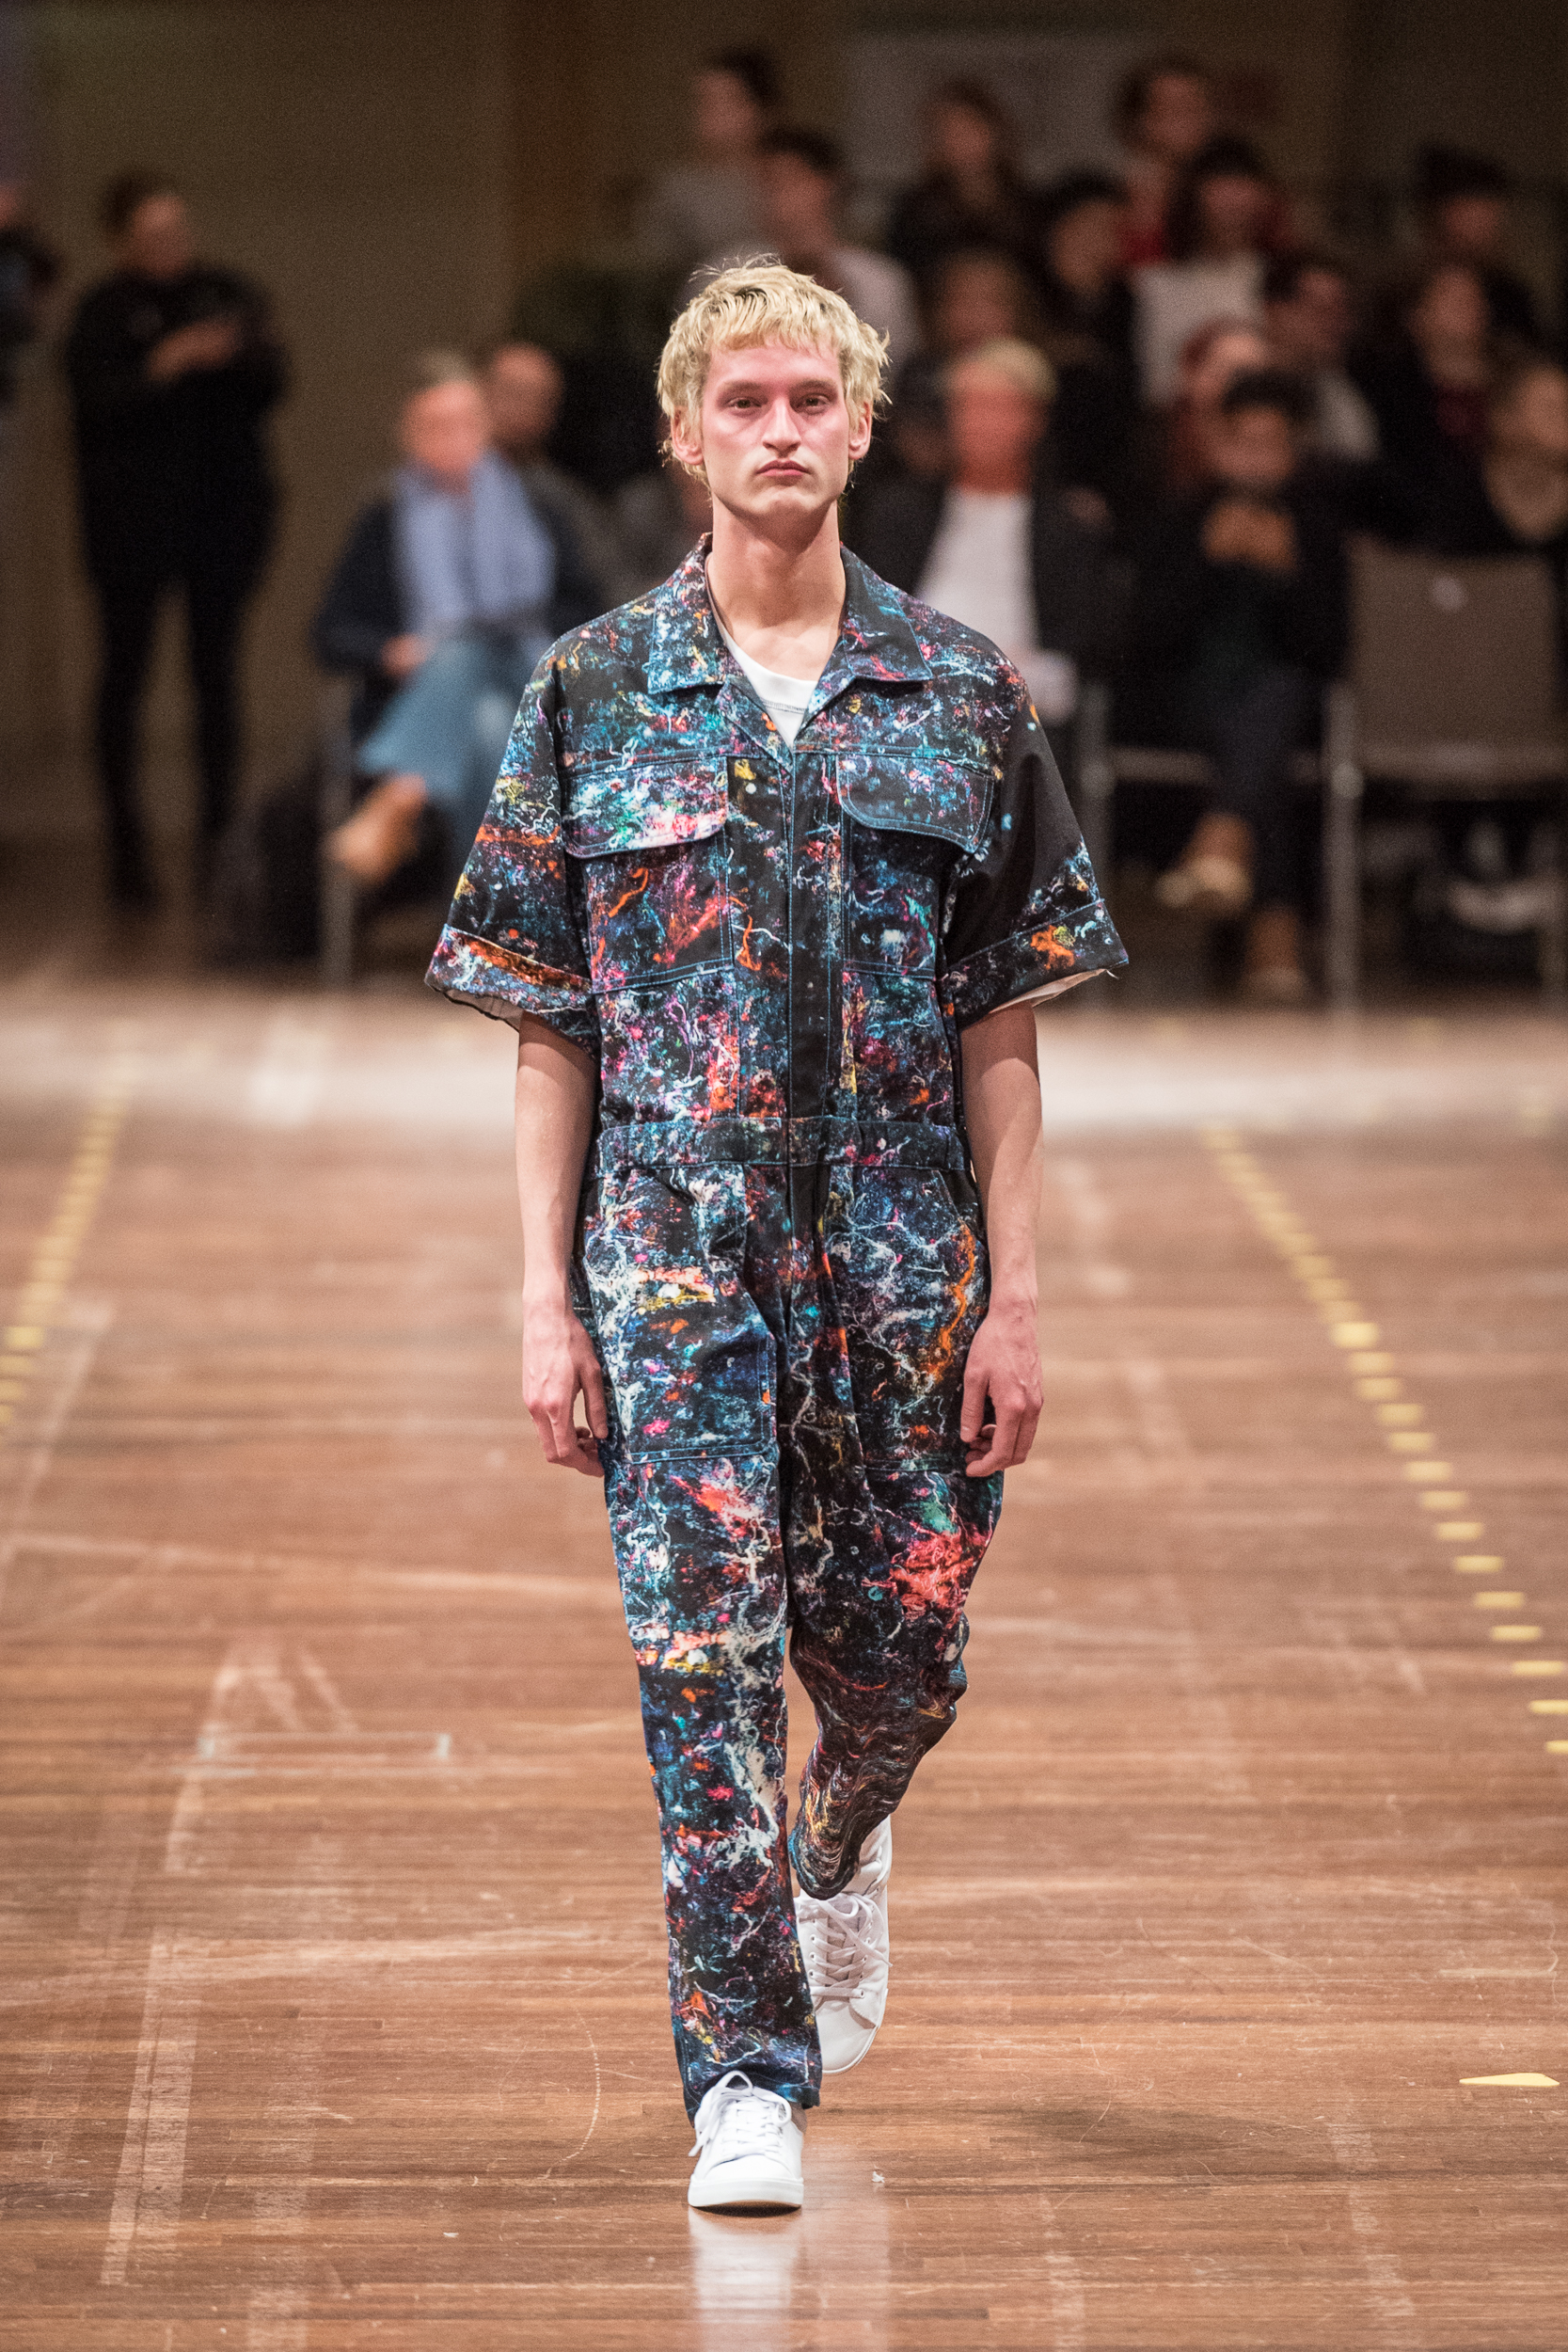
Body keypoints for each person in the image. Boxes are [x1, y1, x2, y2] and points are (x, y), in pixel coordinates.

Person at [424, 261, 1124, 2210]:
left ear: (863, 428)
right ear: (683, 433)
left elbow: (1002, 1022)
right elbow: (549, 1026)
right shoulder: (590, 690)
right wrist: (543, 1301)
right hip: (670, 1255)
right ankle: (743, 2071)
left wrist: (1017, 1297)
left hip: (903, 1263)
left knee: (904, 1659)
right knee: (699, 1653)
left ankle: (839, 1828)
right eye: (742, 400)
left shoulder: (961, 691)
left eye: (811, 398)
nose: (779, 429)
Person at [64, 170, 287, 907]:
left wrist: (234, 353)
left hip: (218, 521)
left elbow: (273, 379)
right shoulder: (101, 312)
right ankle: (126, 849)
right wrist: (165, 364)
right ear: (120, 239)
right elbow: (94, 405)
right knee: (123, 679)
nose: (170, 245)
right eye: (153, 234)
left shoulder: (224, 293)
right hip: (130, 529)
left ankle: (218, 843)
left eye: (177, 231)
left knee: (215, 681)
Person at [311, 355, 600, 885]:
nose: (453, 440)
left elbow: (588, 609)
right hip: (432, 697)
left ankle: (402, 791)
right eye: (435, 427)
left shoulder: (538, 502)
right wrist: (389, 652)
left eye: (464, 424)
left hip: (535, 677)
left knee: (465, 647)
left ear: (486, 427)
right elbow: (330, 634)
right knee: (489, 729)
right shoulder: (385, 516)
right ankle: (486, 914)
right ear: (408, 436)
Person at [1126, 368, 1346, 1003]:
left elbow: (1330, 651)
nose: (1254, 459)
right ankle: (1274, 937)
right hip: (1183, 703)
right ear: (1217, 445)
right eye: (1242, 442)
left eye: (1269, 444)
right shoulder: (1179, 517)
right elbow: (1145, 641)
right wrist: (1205, 564)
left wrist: (1286, 576)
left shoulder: (1315, 527)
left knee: (1273, 699)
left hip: (1286, 709)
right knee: (1260, 740)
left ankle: (1223, 838)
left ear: (1294, 450)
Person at [849, 338, 1120, 732]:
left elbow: (1080, 652)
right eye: (968, 406)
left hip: (1024, 706)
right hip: (909, 697)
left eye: (999, 408)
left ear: (1036, 420)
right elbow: (869, 620)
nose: (981, 423)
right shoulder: (900, 511)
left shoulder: (1069, 525)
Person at [698, 129, 919, 374]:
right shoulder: (724, 273)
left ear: (828, 185)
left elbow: (891, 369)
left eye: (789, 180)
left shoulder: (881, 280)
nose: (775, 194)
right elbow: (696, 363)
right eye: (764, 183)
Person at [1351, 260, 1497, 532]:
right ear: (1417, 316)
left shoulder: (1513, 380)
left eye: (1476, 298)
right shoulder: (1388, 386)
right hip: (1417, 527)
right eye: (1454, 299)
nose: (1471, 307)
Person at [484, 340, 632, 608]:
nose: (524, 409)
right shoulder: (426, 489)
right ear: (482, 392)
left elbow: (609, 585)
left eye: (540, 400)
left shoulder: (563, 501)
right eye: (514, 393)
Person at [1133, 135, 1277, 405]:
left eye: (1243, 197)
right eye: (1223, 198)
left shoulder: (1275, 278)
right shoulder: (1155, 283)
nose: (1234, 211)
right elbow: (1155, 387)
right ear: (1193, 201)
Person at [883, 246, 1042, 485]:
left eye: (991, 303)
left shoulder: (1033, 376)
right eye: (961, 301)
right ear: (939, 311)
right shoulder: (918, 375)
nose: (975, 315)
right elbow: (916, 453)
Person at [1034, 172, 1139, 521]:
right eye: (1089, 226)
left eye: (1113, 229)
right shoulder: (1029, 292)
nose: (1102, 240)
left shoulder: (1125, 301)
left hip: (1107, 463)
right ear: (1058, 228)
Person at [884, 80, 1042, 294]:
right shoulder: (915, 213)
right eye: (949, 133)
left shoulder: (1030, 207)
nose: (961, 142)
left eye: (970, 129)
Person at [638, 48, 779, 272]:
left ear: (759, 109)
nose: (708, 114)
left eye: (723, 102)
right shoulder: (678, 191)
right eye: (702, 102)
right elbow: (655, 269)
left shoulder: (793, 182)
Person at [1413, 144, 1540, 348]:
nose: (1490, 226)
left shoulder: (1509, 296)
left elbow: (1527, 353)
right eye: (1476, 214)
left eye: (1493, 216)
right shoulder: (1405, 293)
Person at [1140, 314, 1271, 504]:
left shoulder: (1280, 447)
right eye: (1227, 372)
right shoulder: (1150, 442)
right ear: (1190, 372)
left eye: (1254, 377)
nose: (1239, 389)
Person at [1261, 250, 1378, 461]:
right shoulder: (1242, 383)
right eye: (1323, 310)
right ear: (1275, 312)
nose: (1339, 325)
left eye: (1342, 312)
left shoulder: (1340, 392)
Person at [1112, 51, 1214, 270]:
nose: (1195, 119)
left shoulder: (1212, 193)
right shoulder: (1113, 201)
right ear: (1140, 120)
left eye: (1200, 107)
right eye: (1178, 108)